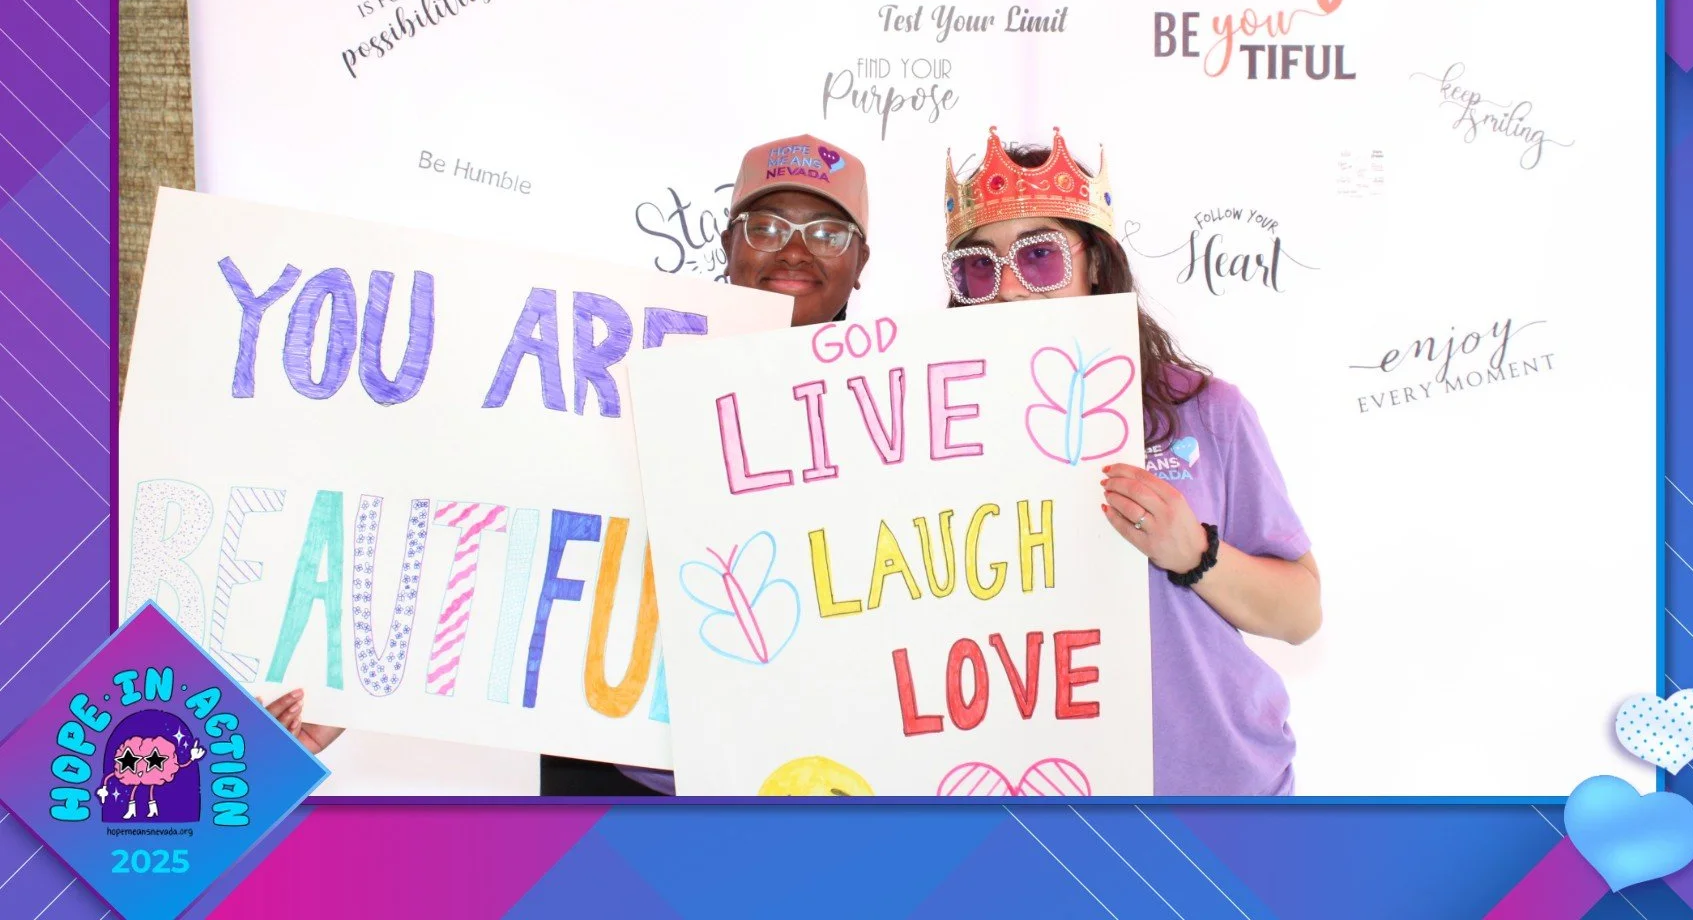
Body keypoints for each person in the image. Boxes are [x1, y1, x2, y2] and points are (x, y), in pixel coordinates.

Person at [267, 134, 873, 796]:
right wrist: (346, 694)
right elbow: (498, 527)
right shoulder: (616, 376)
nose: (794, 249)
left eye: (827, 232)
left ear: (861, 260)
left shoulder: (907, 415)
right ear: (729, 245)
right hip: (616, 779)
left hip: (807, 785)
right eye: (766, 225)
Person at [941, 126, 1321, 794]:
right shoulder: (931, 431)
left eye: (1039, 258)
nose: (1006, 288)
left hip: (1213, 791)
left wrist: (1195, 553)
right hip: (1031, 797)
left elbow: (1300, 614)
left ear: (1095, 265)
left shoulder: (1205, 411)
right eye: (977, 266)